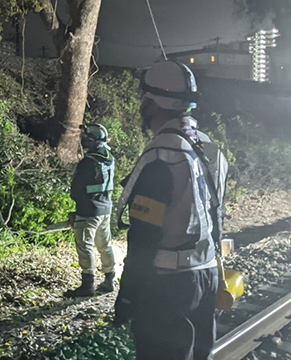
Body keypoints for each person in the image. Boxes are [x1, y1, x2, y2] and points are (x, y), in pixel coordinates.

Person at [112, 61, 228, 360]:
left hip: (167, 284)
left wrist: (127, 295)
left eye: (144, 101)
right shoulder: (208, 147)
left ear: (152, 103)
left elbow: (145, 235)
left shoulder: (162, 155)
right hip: (208, 273)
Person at [64, 124, 117, 297]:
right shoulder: (110, 158)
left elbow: (77, 190)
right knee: (104, 245)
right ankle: (109, 279)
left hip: (88, 211)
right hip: (106, 208)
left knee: (85, 245)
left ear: (92, 140)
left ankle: (88, 285)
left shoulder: (88, 162)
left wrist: (76, 210)